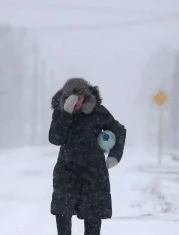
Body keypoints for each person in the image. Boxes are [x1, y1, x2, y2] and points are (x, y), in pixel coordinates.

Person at [48, 78, 126, 235]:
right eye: (72, 99)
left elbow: (119, 130)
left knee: (93, 217)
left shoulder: (98, 112)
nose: (76, 102)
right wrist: (66, 114)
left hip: (93, 173)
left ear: (86, 97)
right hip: (66, 172)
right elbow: (56, 139)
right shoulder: (61, 113)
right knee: (63, 215)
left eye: (79, 98)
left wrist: (114, 156)